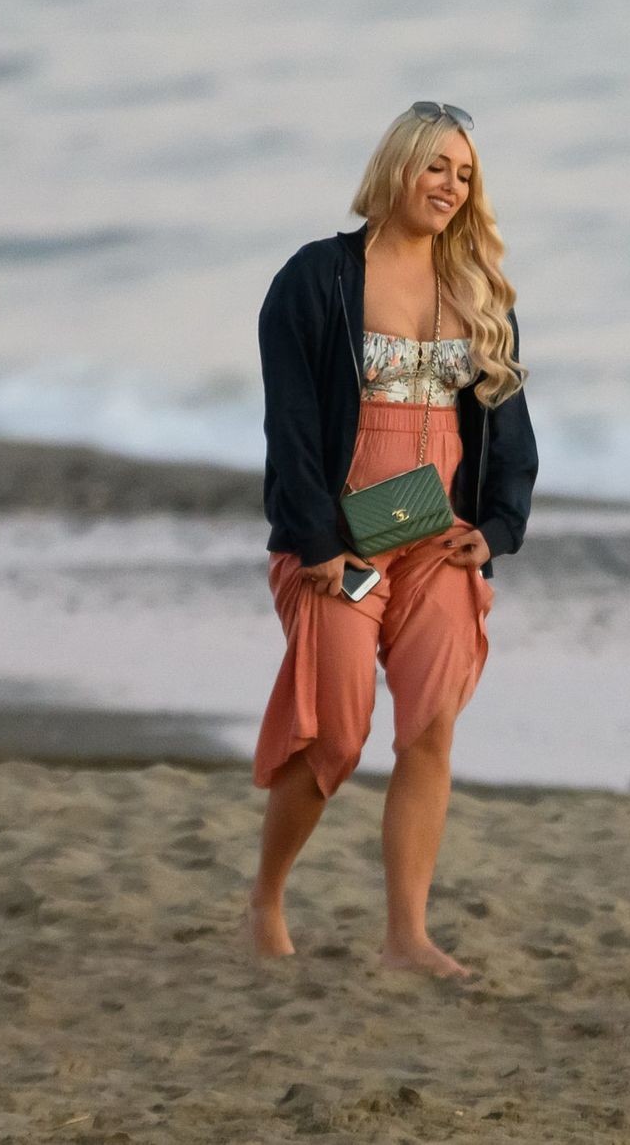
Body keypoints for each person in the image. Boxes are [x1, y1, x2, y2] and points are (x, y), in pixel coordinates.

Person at [247, 102, 538, 979]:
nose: (451, 186)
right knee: (334, 733)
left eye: (465, 174)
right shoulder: (317, 278)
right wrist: (317, 541)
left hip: (434, 539)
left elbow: (510, 428)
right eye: (436, 166)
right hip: (342, 546)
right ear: (396, 166)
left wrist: (497, 527)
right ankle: (265, 900)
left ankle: (406, 937)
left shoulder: (479, 289)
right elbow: (291, 425)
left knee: (431, 724)